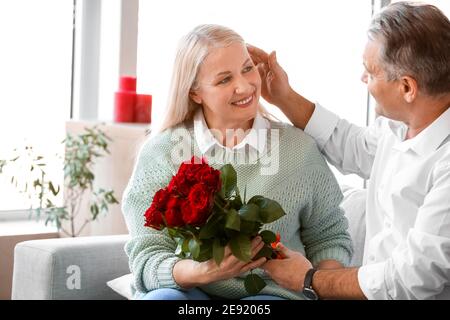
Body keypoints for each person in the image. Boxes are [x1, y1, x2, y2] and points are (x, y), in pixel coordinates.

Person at [121, 24, 353, 300]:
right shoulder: (161, 151)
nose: (244, 86)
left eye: (247, 69)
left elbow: (329, 237)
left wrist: (317, 285)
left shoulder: (299, 149)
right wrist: (201, 272)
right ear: (195, 92)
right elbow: (147, 254)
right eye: (224, 80)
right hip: (188, 289)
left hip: (272, 293)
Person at [248, 2, 450, 300]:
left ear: (407, 88)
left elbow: (412, 278)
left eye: (370, 72)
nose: (362, 79)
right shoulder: (398, 128)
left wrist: (309, 279)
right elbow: (348, 143)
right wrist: (283, 96)